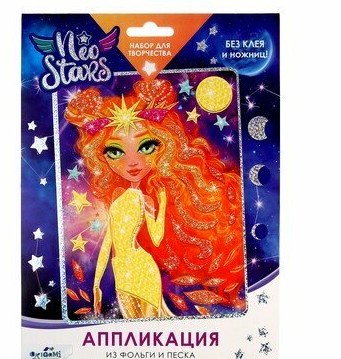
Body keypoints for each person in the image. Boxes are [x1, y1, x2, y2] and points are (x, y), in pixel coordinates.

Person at [65, 79, 244, 319]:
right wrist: (96, 285)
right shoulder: (117, 197)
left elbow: (157, 238)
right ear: (100, 156)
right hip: (121, 271)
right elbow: (108, 243)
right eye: (115, 151)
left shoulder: (145, 200)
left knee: (155, 317)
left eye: (146, 147)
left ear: (164, 148)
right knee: (133, 322)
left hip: (142, 267)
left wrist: (162, 202)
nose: (132, 163)